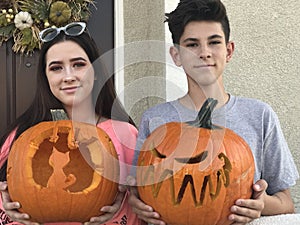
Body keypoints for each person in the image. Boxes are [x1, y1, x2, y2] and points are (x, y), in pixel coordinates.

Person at [128, 0, 299, 224]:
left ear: (229, 51)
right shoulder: (154, 119)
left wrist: (261, 204)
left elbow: (287, 203)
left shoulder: (259, 115)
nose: (204, 53)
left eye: (214, 42)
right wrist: (137, 202)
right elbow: (139, 190)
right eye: (192, 44)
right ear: (176, 55)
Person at [0, 22, 143, 225]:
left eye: (78, 65)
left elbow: (151, 202)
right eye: (56, 68)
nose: (68, 76)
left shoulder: (126, 134)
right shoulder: (21, 135)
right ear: (46, 77)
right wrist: (7, 209)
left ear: (96, 72)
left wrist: (125, 204)